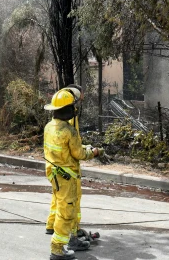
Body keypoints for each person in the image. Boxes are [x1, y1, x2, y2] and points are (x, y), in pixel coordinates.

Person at [44, 89, 100, 260]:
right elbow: (79, 154)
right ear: (68, 110)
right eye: (73, 108)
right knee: (66, 212)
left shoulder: (49, 127)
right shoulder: (69, 131)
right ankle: (57, 249)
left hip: (54, 173)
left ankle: (72, 237)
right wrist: (94, 152)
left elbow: (64, 150)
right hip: (67, 176)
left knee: (63, 207)